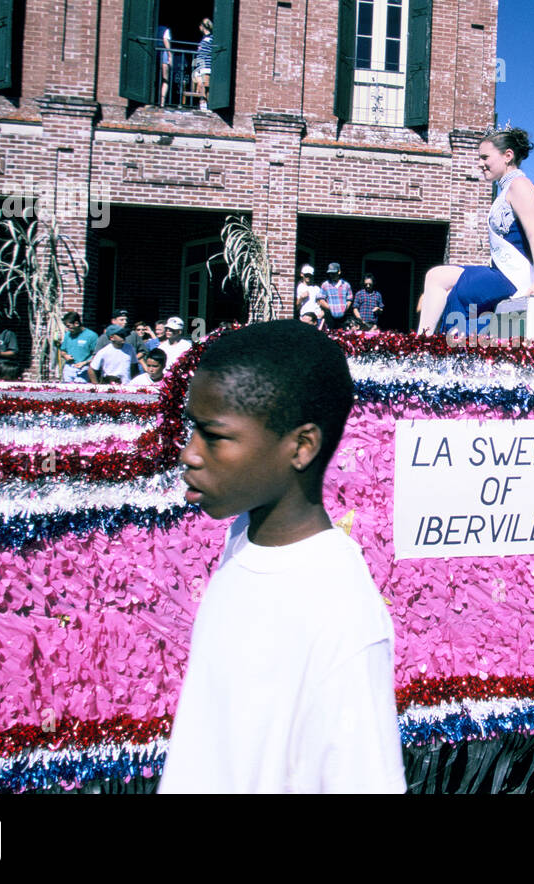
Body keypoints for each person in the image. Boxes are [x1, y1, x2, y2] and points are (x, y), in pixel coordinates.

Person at [160, 321, 405, 793]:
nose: (189, 454)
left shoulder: (341, 615)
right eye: (192, 429)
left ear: (301, 446)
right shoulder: (241, 539)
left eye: (213, 435)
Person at [417, 126, 534, 336]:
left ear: (508, 155)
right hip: (501, 273)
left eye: (485, 157)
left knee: (448, 286)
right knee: (437, 276)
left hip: (512, 278)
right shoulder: (506, 189)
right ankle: (426, 339)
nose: (480, 163)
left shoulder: (520, 185)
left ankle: (427, 342)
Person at [56, 311, 98, 382]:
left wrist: (84, 363)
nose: (68, 329)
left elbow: (97, 355)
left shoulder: (92, 336)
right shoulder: (68, 335)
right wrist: (65, 355)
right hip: (69, 368)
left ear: (76, 323)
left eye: (69, 326)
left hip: (84, 369)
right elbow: (62, 351)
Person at [318, 263, 353, 331]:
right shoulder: (325, 284)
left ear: (339, 272)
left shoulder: (346, 285)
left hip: (343, 317)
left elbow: (349, 299)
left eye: (333, 273)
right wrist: (330, 308)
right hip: (330, 316)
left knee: (342, 335)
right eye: (330, 273)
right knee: (329, 334)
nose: (332, 275)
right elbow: (321, 299)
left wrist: (345, 308)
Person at [191, 17, 213, 111]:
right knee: (200, 85)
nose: (199, 27)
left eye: (200, 25)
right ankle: (202, 104)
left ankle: (206, 105)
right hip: (200, 66)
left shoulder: (211, 38)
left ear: (204, 26)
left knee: (205, 85)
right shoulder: (203, 39)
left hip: (206, 66)